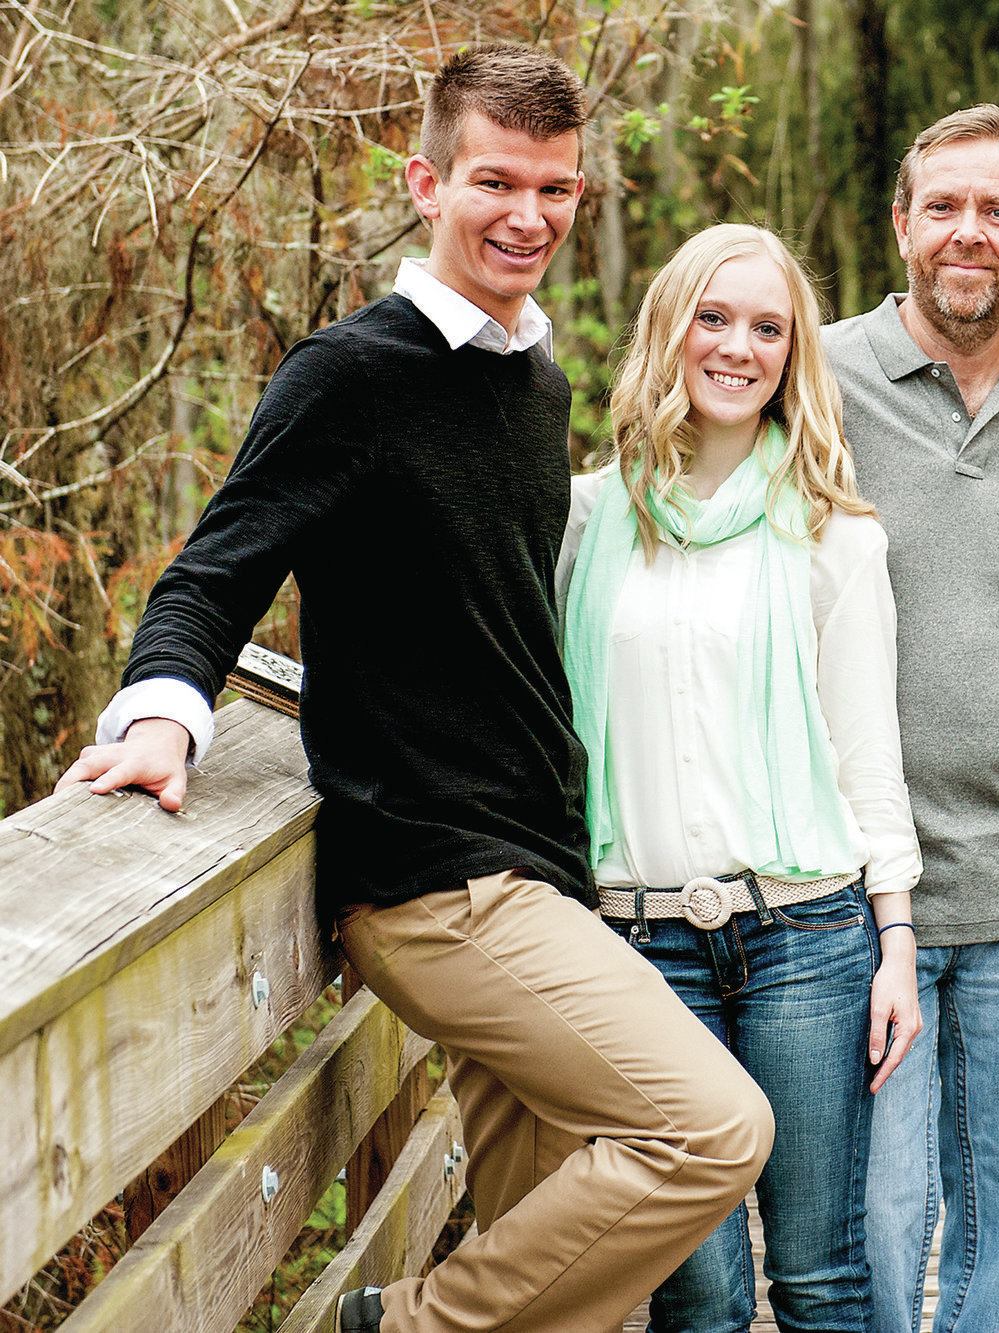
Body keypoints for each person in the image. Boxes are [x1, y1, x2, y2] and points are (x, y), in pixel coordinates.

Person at [57, 46, 774, 1333]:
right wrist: (163, 714)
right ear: (425, 182)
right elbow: (214, 572)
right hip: (436, 882)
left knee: (544, 1266)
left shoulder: (536, 381)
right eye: (495, 181)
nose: (527, 216)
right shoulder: (350, 374)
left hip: (538, 869)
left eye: (555, 189)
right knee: (711, 1127)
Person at [556, 223, 922, 1333]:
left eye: (768, 328)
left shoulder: (834, 536)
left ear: (792, 355)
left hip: (804, 935)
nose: (737, 347)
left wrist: (897, 939)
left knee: (817, 1272)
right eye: (713, 318)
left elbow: (866, 751)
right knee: (695, 1288)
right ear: (669, 330)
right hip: (635, 943)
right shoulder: (586, 518)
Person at [821, 104, 999, 1333]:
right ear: (900, 223)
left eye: (998, 211)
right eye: (941, 206)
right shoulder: (812, 378)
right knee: (878, 1219)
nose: (967, 233)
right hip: (847, 887)